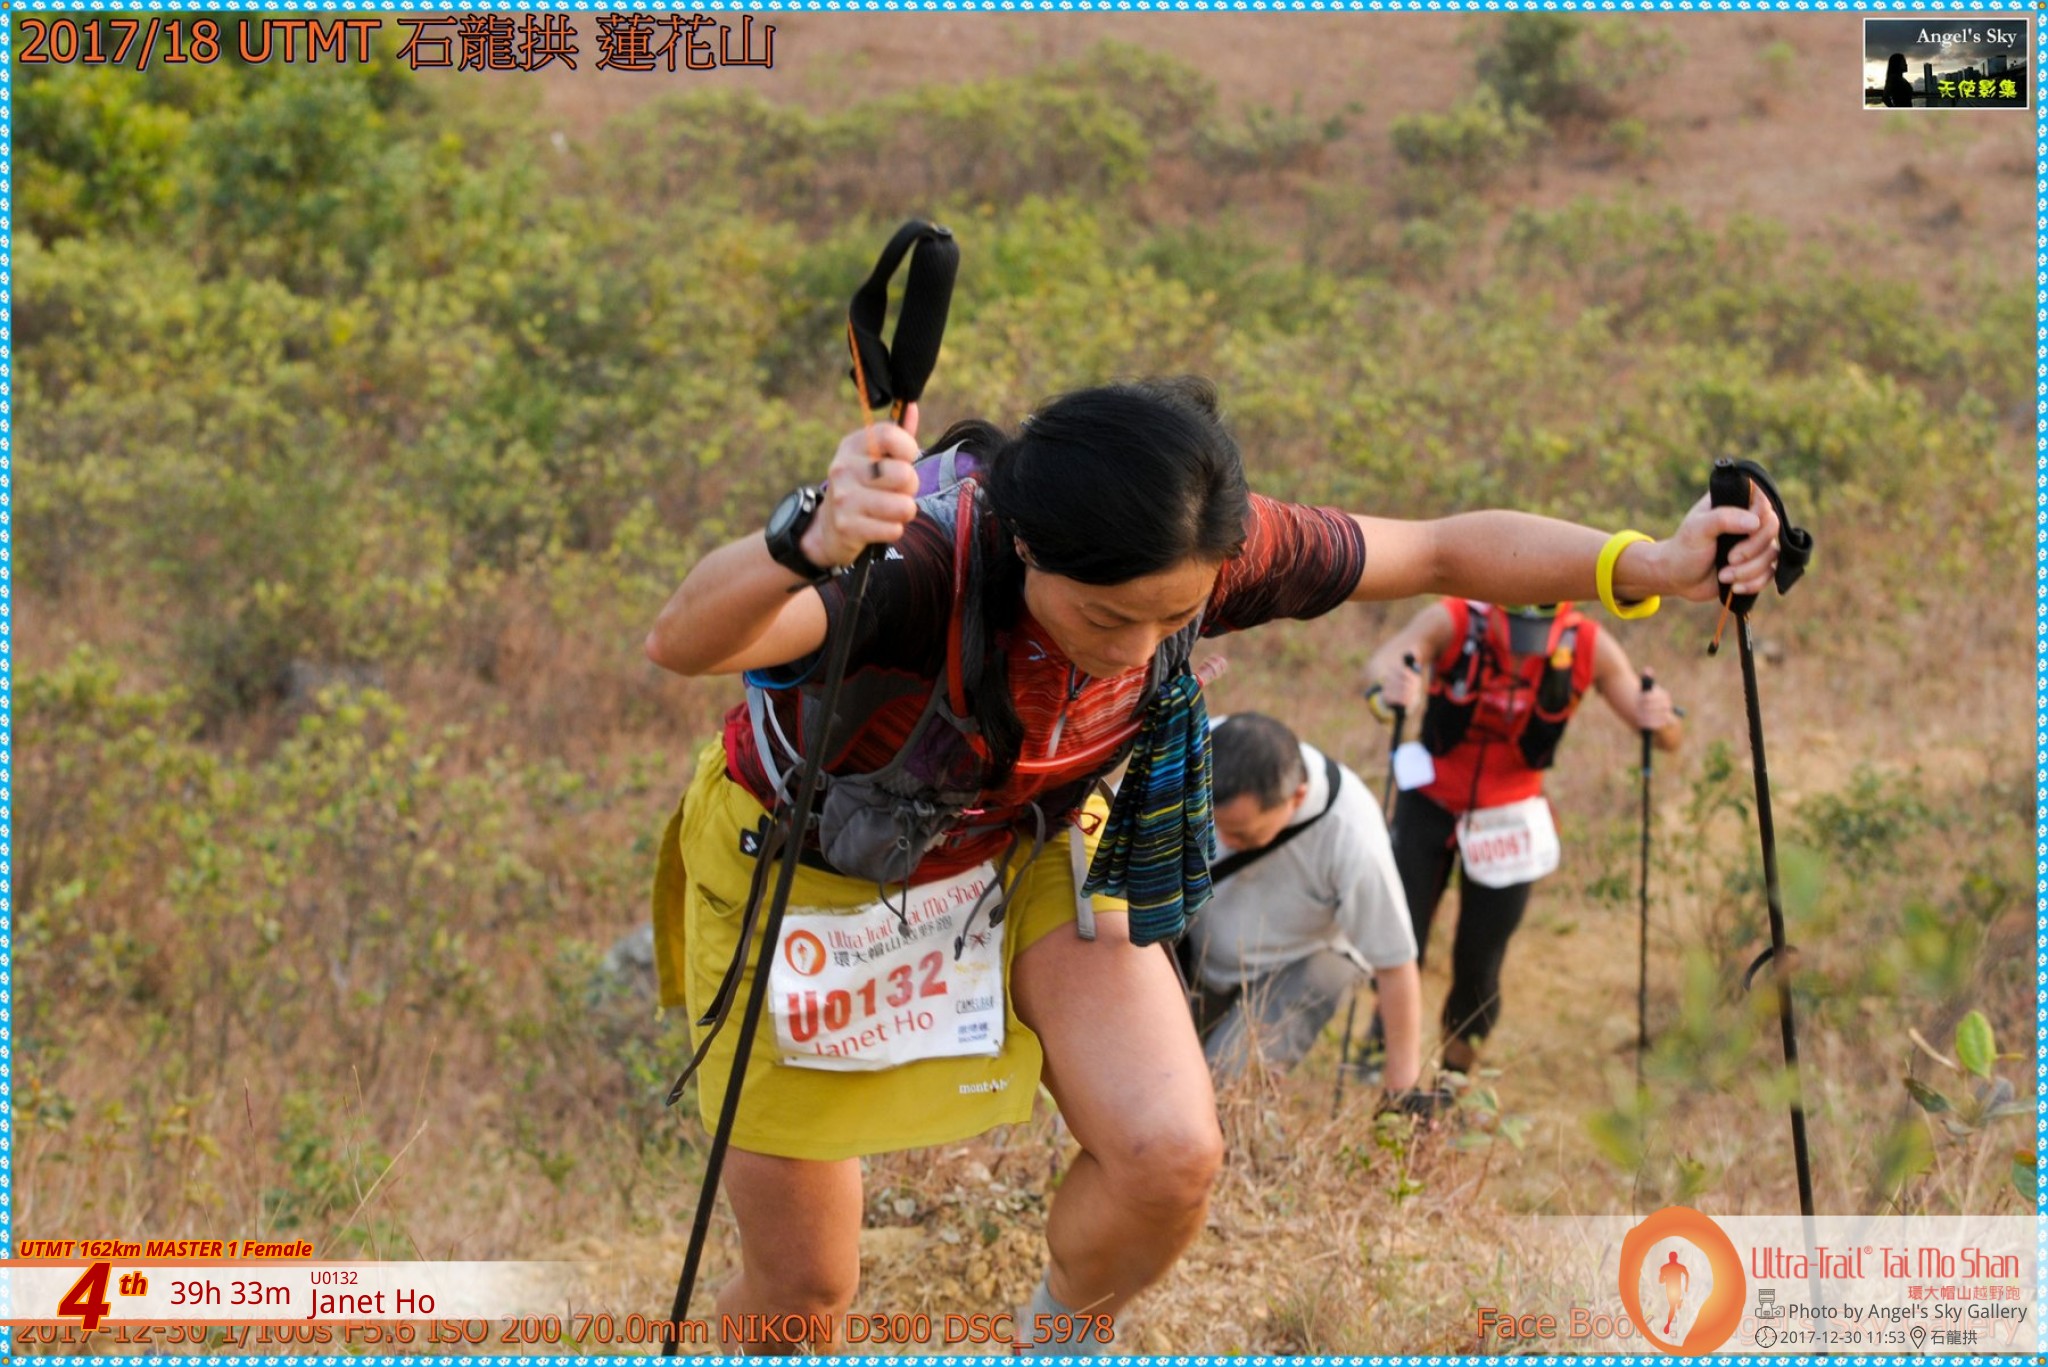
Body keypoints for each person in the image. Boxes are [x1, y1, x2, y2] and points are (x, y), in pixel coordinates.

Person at [643, 376, 1778, 1352]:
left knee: (1168, 1158)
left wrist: (1651, 561)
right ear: (1029, 547)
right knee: (806, 1290)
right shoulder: (913, 572)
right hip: (809, 876)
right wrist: (803, 541)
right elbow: (687, 640)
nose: (1137, 649)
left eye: (1173, 617)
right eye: (1105, 618)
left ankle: (1053, 1346)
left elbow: (1437, 548)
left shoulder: (1210, 548)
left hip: (1021, 847)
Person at [1363, 600, 1683, 1075]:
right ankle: (1383, 1050)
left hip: (1510, 819)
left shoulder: (1587, 645)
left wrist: (1661, 716)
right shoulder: (1454, 619)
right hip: (1429, 803)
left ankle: (1453, 1080)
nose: (1520, 653)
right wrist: (1391, 685)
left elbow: (1666, 737)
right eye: (1511, 632)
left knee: (1480, 964)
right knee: (1400, 938)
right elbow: (1384, 662)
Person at [1182, 712, 1424, 1098]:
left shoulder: (1352, 837)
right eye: (1214, 824)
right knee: (1159, 1079)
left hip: (1298, 965)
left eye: (1240, 833)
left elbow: (1395, 964)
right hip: (1195, 947)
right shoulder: (1184, 754)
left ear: (1295, 798)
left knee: (1218, 1089)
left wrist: (1402, 1091)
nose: (1222, 842)